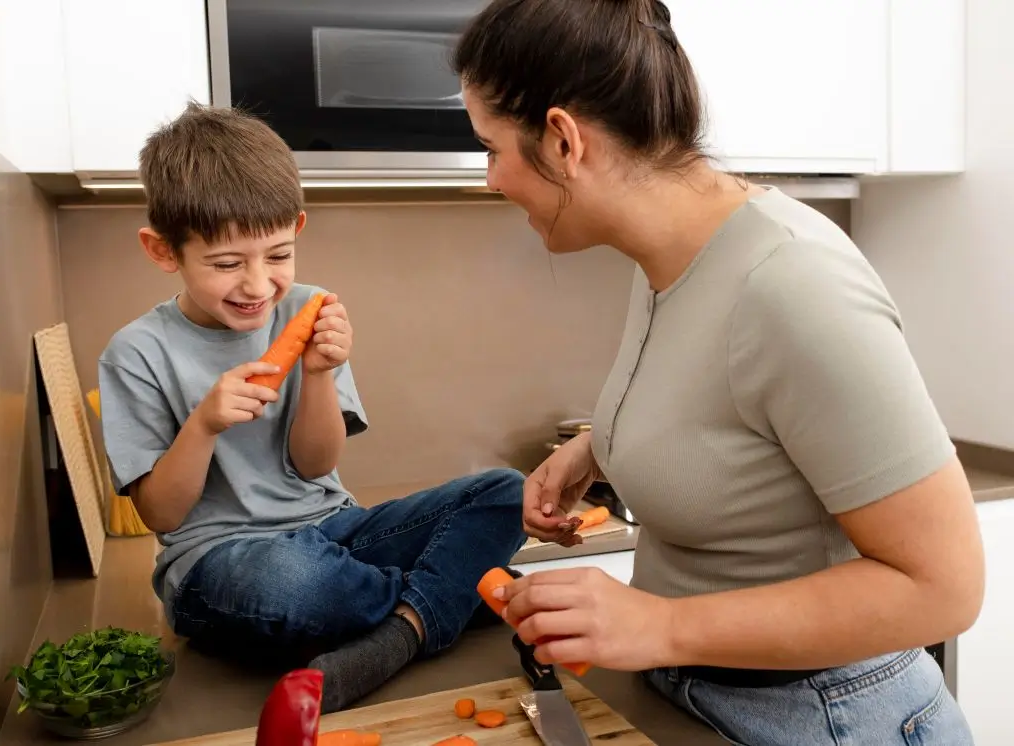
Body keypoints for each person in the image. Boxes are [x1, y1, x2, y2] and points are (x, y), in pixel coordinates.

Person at [450, 1, 984, 743]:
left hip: (828, 718)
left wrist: (662, 626)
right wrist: (601, 446)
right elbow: (723, 402)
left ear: (563, 139)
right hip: (699, 702)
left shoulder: (793, 280)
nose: (491, 180)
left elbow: (944, 589)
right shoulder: (669, 256)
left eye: (492, 148)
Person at [96, 102, 527, 713]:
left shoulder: (310, 306)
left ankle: (400, 634)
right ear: (163, 251)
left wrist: (318, 375)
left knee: (505, 493)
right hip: (219, 563)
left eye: (276, 255)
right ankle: (453, 594)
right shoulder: (136, 352)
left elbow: (316, 464)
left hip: (336, 532)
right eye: (226, 264)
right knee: (296, 584)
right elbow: (162, 515)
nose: (256, 285)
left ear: (296, 228)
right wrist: (204, 424)